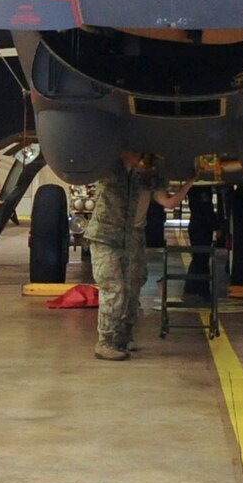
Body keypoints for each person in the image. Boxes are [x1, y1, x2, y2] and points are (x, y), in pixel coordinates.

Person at [87, 151, 194, 361]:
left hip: (131, 238)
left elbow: (169, 203)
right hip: (105, 236)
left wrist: (190, 182)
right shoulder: (109, 171)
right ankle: (104, 341)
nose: (144, 164)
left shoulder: (145, 181)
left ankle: (123, 337)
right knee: (113, 287)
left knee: (132, 288)